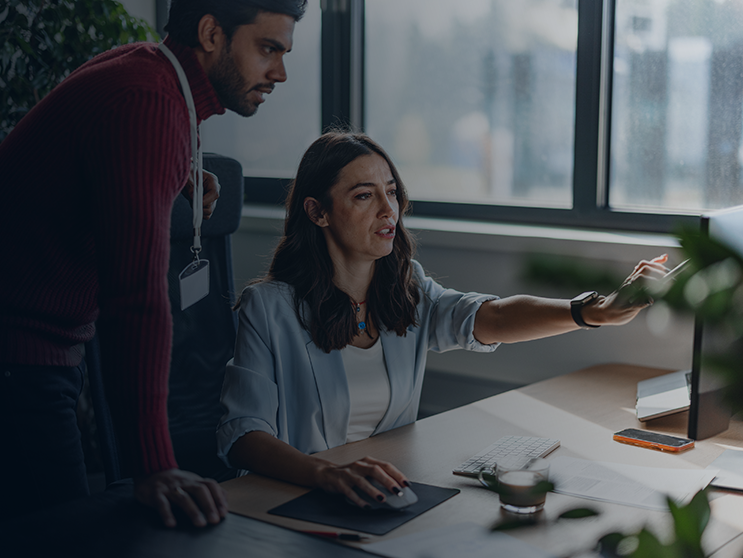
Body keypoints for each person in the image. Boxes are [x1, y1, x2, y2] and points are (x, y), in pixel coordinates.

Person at [216, 131, 670, 508]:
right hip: (293, 500)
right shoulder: (268, 308)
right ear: (317, 212)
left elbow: (489, 316)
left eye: (391, 192)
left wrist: (592, 312)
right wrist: (327, 474)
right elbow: (242, 436)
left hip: (384, 496)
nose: (387, 210)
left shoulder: (405, 287)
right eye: (363, 196)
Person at [0, 0, 307, 528]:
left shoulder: (149, 73)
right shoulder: (149, 100)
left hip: (33, 351)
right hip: (18, 358)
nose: (280, 72)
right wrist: (154, 467)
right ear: (212, 33)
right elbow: (135, 301)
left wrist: (169, 178)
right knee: (65, 538)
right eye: (268, 49)